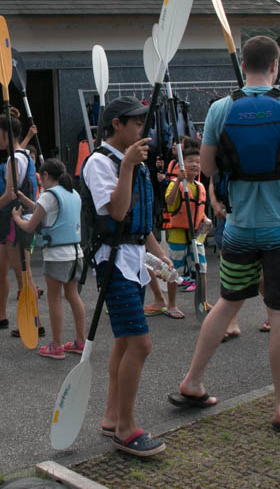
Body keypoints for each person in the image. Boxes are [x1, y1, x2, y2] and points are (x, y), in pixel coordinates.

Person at [169, 35, 280, 432]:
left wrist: (227, 194)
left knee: (227, 303)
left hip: (238, 229)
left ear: (243, 64)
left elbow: (207, 167)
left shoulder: (220, 109)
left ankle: (193, 382)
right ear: (275, 65)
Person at [83, 96, 172, 457]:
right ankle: (126, 428)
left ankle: (112, 417)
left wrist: (160, 256)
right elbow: (118, 213)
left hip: (134, 260)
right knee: (140, 344)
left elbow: (141, 222)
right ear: (116, 124)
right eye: (135, 122)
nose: (142, 129)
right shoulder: (99, 163)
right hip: (113, 263)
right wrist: (127, 167)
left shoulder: (133, 162)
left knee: (124, 342)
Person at [12, 158, 86, 359]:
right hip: (76, 252)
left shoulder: (48, 195)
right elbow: (47, 211)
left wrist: (16, 217)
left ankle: (57, 345)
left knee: (54, 299)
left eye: (40, 177)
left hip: (56, 256)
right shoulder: (73, 193)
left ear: (45, 175)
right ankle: (81, 341)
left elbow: (30, 226)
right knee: (73, 295)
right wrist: (25, 200)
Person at [0, 111, 40, 332]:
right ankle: (1, 316)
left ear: (7, 133)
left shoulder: (16, 158)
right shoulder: (19, 156)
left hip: (16, 220)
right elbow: (8, 188)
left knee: (23, 275)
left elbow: (10, 194)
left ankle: (35, 323)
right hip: (10, 220)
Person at [160, 136, 212, 321]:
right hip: (178, 233)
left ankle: (203, 301)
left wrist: (205, 219)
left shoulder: (200, 186)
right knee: (175, 270)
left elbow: (199, 209)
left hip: (196, 234)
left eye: (198, 161)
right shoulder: (176, 184)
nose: (195, 164)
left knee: (202, 268)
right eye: (190, 161)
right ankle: (172, 304)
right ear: (183, 164)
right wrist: (178, 182)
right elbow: (170, 202)